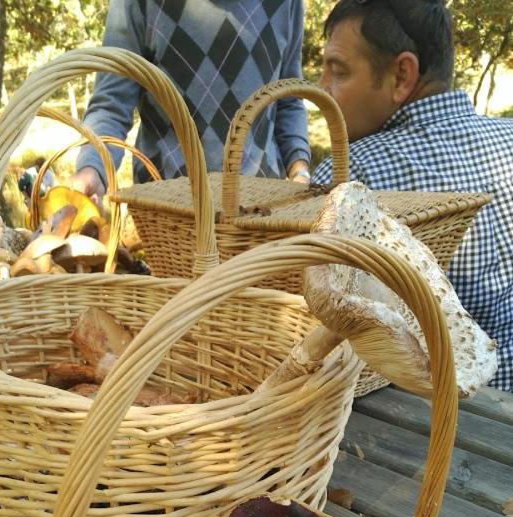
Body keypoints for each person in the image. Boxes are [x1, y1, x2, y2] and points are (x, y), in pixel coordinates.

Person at [311, 0, 513, 392]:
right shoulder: (508, 139)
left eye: (338, 70)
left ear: (402, 76)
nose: (322, 86)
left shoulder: (350, 179)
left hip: (411, 407)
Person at [71, 0, 311, 201]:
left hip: (260, 208)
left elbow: (288, 98)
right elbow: (112, 103)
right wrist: (93, 168)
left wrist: (300, 170)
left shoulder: (286, 4)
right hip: (167, 209)